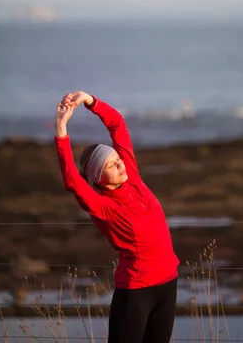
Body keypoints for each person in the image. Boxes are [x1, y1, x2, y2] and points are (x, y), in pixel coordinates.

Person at [54, 91, 179, 343]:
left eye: (117, 158)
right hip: (136, 292)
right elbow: (72, 181)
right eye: (111, 165)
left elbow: (117, 124)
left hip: (168, 283)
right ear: (99, 178)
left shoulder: (131, 175)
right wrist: (61, 128)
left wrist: (89, 100)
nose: (120, 164)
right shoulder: (102, 206)